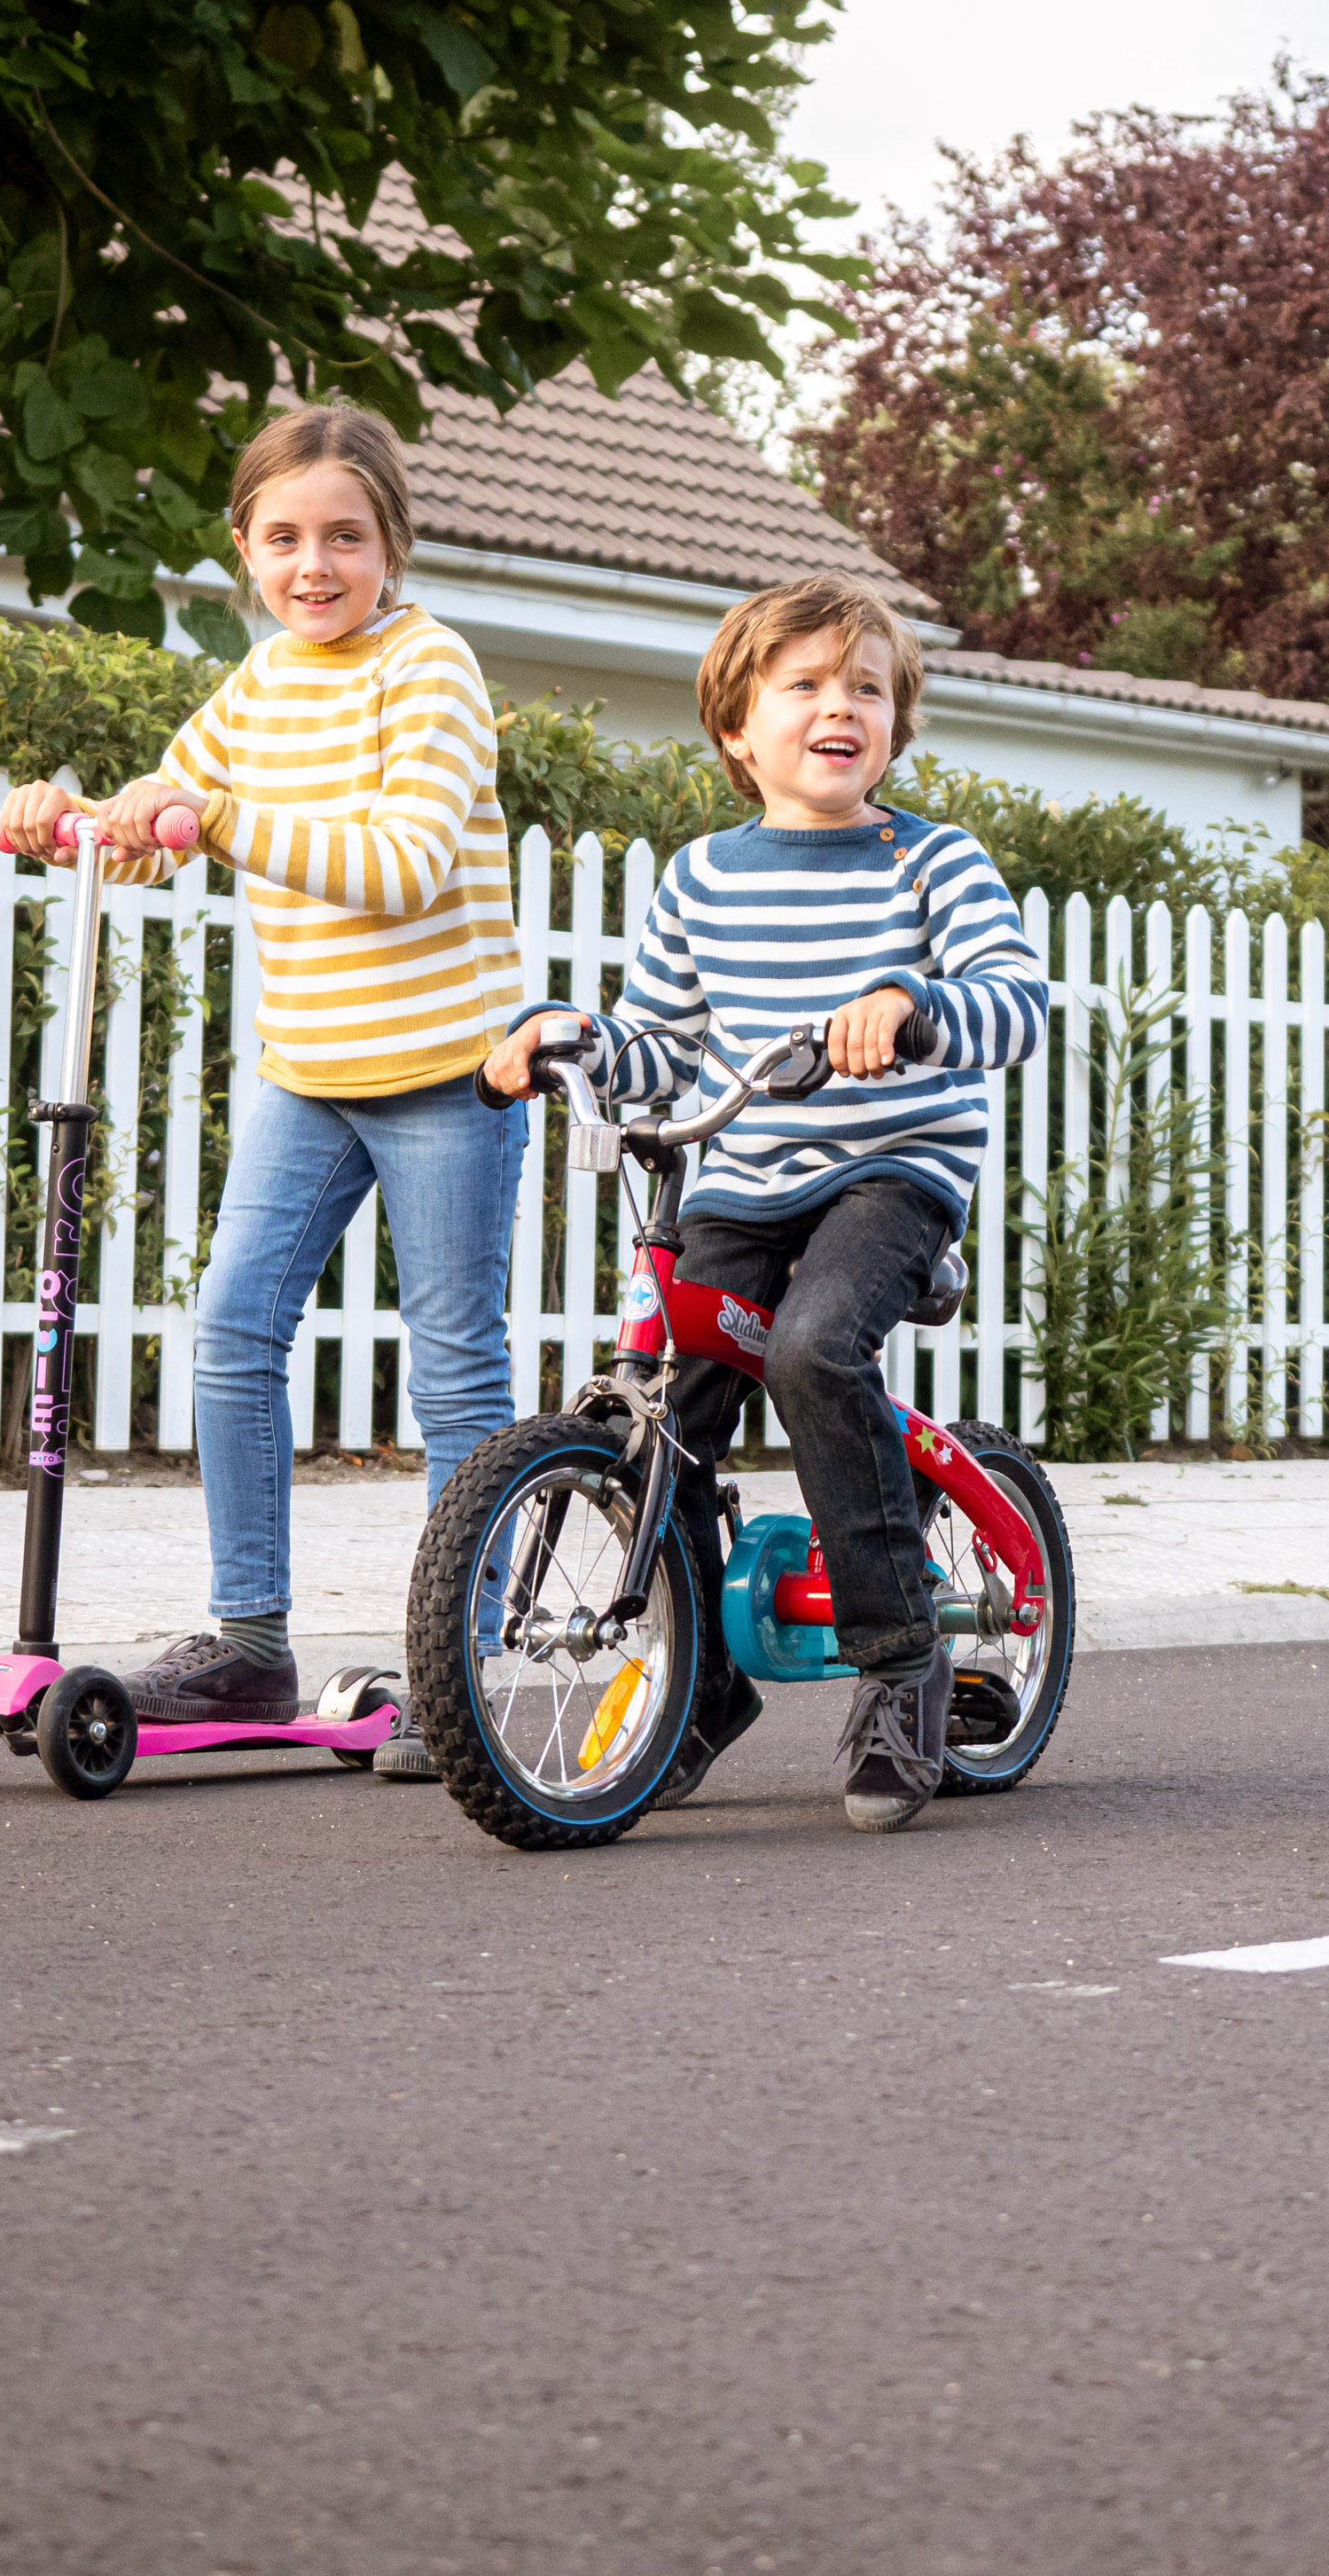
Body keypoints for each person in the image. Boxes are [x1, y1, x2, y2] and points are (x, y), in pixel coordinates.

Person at [0, 405, 525, 1772]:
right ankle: (248, 1636)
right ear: (244, 547)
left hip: (446, 1064)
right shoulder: (259, 679)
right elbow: (166, 813)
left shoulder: (429, 669)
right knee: (232, 1329)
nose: (315, 564)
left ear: (394, 546)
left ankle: (461, 1666)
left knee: (454, 1359)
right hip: (310, 1065)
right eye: (284, 537)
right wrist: (74, 819)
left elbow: (403, 861)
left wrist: (213, 818)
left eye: (346, 535)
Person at [482, 572, 1049, 1833]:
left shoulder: (933, 858)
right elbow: (659, 1045)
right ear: (739, 728)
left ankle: (903, 1658)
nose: (837, 706)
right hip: (742, 1173)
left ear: (896, 723)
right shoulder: (702, 876)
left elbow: (1015, 995)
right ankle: (702, 1686)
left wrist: (914, 1006)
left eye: (866, 687)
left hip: (890, 1169)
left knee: (811, 1345)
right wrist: (563, 1036)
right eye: (803, 685)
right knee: (667, 1402)